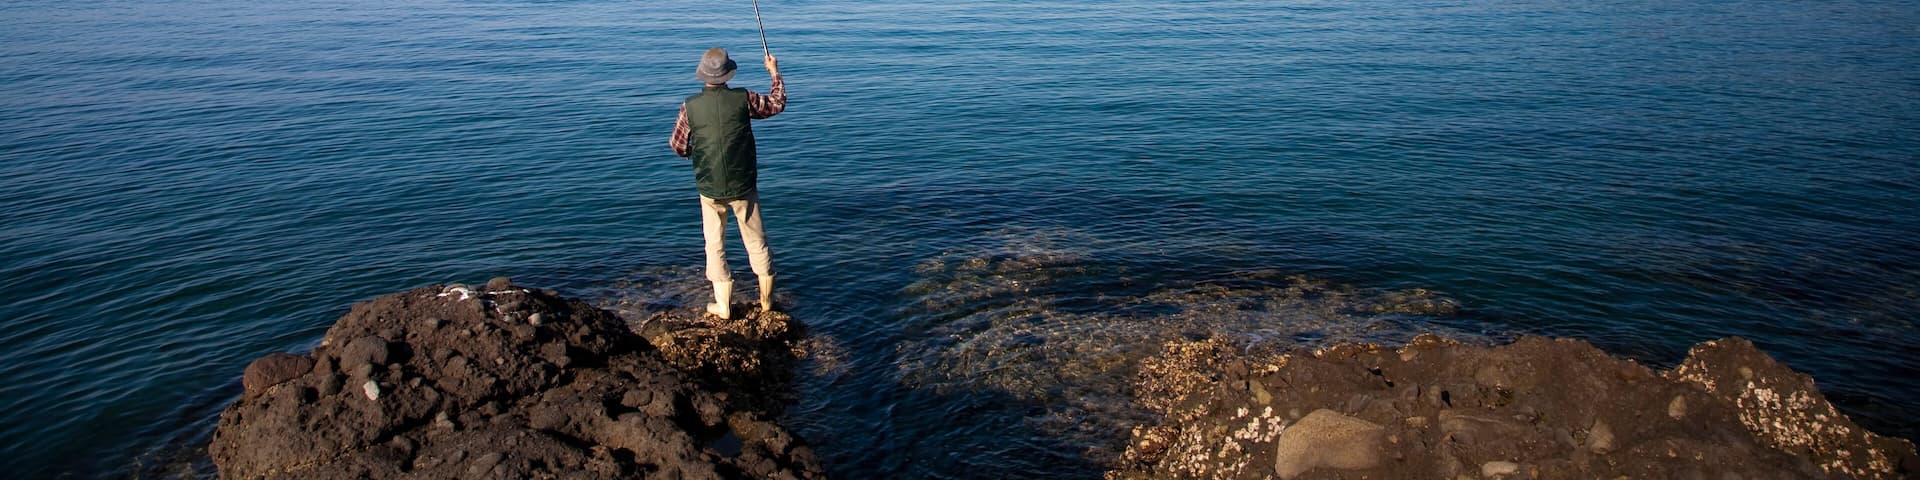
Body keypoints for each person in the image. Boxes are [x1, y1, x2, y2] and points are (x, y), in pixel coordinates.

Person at [669, 47, 786, 319]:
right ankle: (766, 302)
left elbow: (677, 146)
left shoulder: (690, 107)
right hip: (743, 183)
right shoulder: (744, 98)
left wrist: (695, 152)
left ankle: (723, 307)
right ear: (728, 74)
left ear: (704, 76)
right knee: (756, 240)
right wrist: (774, 72)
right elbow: (777, 103)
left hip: (709, 187)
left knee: (714, 243)